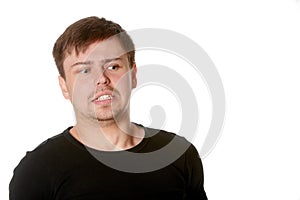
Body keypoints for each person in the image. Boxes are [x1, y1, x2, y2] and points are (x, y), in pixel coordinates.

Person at [9, 16, 208, 200]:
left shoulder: (179, 155)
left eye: (113, 67)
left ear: (133, 75)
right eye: (84, 70)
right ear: (64, 86)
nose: (101, 79)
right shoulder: (37, 171)